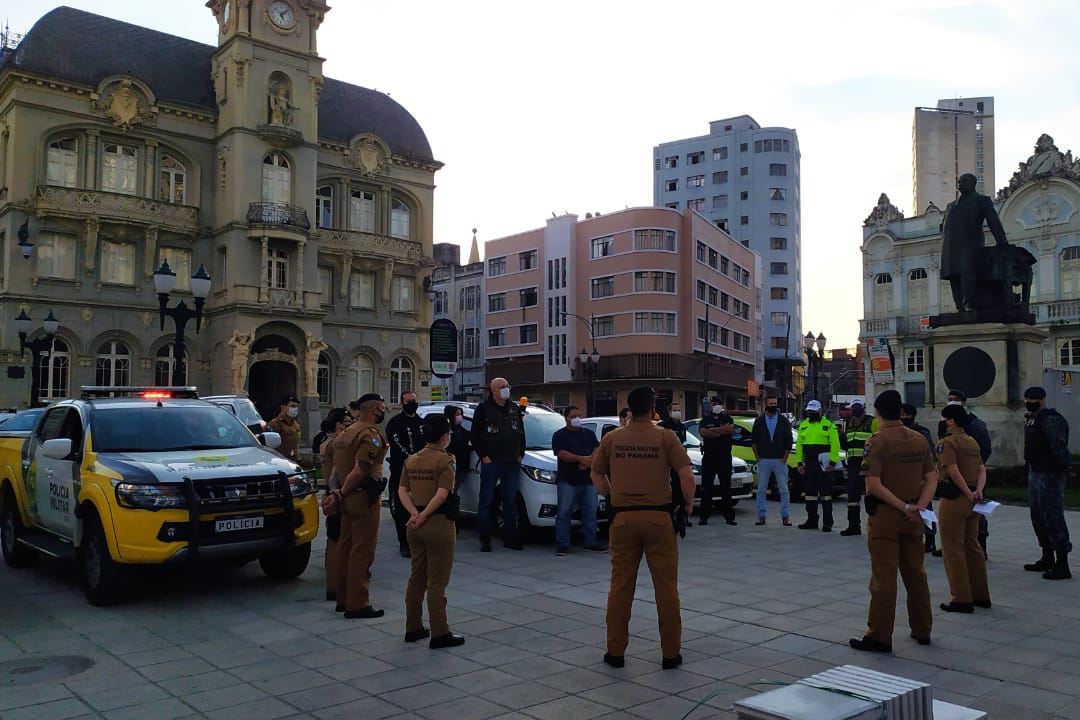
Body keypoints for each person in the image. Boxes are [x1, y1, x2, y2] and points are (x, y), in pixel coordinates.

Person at [591, 386, 695, 670]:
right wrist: (688, 504)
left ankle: (615, 652)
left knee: (620, 587)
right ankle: (670, 654)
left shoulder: (612, 438)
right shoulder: (665, 437)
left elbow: (596, 472)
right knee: (666, 588)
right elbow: (686, 475)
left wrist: (611, 496)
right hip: (658, 519)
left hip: (623, 520)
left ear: (629, 407)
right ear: (652, 410)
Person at [850, 390, 936, 653]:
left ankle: (879, 636)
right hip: (915, 517)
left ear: (877, 412)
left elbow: (873, 484)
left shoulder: (877, 442)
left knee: (883, 578)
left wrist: (902, 506)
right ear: (900, 411)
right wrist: (919, 506)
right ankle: (922, 629)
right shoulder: (919, 439)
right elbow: (932, 477)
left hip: (887, 516)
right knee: (916, 573)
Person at [397, 415, 465, 649]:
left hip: (414, 525)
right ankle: (440, 632)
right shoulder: (445, 460)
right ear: (445, 436)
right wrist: (424, 515)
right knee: (437, 581)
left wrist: (414, 514)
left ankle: (413, 627)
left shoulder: (411, 460)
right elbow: (442, 493)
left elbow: (402, 490)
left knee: (417, 577)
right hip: (437, 523)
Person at [328, 394, 389, 619]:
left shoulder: (346, 433)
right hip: (362, 497)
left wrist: (336, 492)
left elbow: (335, 469)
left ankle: (342, 598)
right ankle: (358, 603)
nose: (383, 412)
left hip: (345, 498)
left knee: (345, 548)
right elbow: (360, 469)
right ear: (375, 410)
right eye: (381, 409)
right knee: (362, 552)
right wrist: (343, 492)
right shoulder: (369, 435)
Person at [936, 404, 991, 612]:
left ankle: (961, 597)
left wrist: (967, 492)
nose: (941, 422)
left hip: (955, 499)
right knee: (973, 547)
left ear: (951, 421)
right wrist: (977, 491)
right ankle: (981, 595)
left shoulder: (947, 443)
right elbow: (981, 469)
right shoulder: (971, 441)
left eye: (943, 419)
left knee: (953, 549)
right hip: (973, 500)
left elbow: (951, 469)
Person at [1022, 386, 1072, 580]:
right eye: (1026, 399)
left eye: (1032, 399)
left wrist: (1062, 471)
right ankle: (1047, 557)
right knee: (1038, 516)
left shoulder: (1052, 419)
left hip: (1050, 474)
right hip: (1036, 471)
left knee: (1053, 517)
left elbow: (1059, 448)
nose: (1028, 402)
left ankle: (1062, 564)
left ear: (1041, 399)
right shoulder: (1032, 419)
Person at [471, 377, 526, 552]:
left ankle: (509, 537)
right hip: (492, 462)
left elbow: (521, 433)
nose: (506, 389)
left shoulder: (514, 408)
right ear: (493, 390)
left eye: (507, 386)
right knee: (486, 501)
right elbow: (475, 436)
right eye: (502, 387)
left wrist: (520, 454)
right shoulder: (483, 409)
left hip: (512, 462)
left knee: (510, 501)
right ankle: (484, 538)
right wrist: (484, 456)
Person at [940, 173, 1009, 312]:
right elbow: (943, 226)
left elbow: (994, 222)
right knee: (953, 275)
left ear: (973, 183)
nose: (960, 184)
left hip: (970, 245)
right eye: (959, 182)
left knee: (968, 272)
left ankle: (970, 304)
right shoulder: (950, 206)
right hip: (950, 247)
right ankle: (960, 307)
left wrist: (1002, 242)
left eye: (964, 181)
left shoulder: (981, 200)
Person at [941, 390, 992, 556]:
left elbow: (983, 454)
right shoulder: (946, 426)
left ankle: (981, 543)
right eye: (949, 400)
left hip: (971, 480)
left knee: (977, 518)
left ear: (964, 401)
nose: (952, 402)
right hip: (957, 486)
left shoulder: (975, 425)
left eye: (955, 400)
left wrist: (969, 467)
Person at [551, 406, 603, 556]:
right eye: (574, 416)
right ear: (566, 418)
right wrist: (581, 459)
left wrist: (589, 461)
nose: (577, 418)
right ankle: (563, 544)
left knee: (590, 512)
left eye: (579, 415)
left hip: (588, 481)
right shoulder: (559, 435)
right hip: (568, 480)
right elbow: (561, 454)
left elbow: (596, 449)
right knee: (564, 513)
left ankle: (591, 542)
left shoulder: (588, 434)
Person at [386, 390, 425, 558]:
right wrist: (411, 457)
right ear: (402, 403)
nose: (412, 403)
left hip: (421, 473)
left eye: (414, 400)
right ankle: (404, 543)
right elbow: (396, 443)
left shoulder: (422, 422)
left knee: (420, 507)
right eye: (409, 401)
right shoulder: (395, 422)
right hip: (401, 472)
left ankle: (419, 540)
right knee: (402, 510)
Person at [795, 400, 841, 532]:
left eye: (814, 411)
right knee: (810, 494)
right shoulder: (803, 425)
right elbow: (799, 446)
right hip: (810, 463)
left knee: (825, 494)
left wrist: (832, 462)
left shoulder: (829, 425)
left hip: (823, 464)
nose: (811, 413)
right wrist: (799, 463)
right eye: (809, 412)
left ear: (820, 411)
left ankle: (827, 523)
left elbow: (835, 445)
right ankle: (812, 520)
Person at [901, 403, 940, 556]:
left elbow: (930, 453)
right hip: (904, 475)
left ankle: (930, 540)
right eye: (901, 415)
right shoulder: (898, 433)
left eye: (906, 415)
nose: (903, 418)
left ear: (912, 416)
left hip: (920, 476)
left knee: (925, 508)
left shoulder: (922, 432)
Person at [319, 408, 349, 603]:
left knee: (333, 540)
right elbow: (336, 473)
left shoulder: (325, 443)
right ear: (338, 425)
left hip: (331, 492)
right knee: (338, 541)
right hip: (336, 493)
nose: (350, 426)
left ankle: (333, 586)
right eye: (347, 423)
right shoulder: (335, 444)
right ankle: (337, 587)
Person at [839, 397, 879, 537]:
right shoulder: (849, 423)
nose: (855, 409)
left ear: (863, 407)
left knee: (872, 493)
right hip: (853, 464)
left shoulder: (872, 421)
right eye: (853, 407)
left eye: (858, 406)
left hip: (869, 463)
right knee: (853, 496)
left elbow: (878, 440)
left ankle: (876, 526)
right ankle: (853, 525)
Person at [751, 396, 793, 526]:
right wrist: (758, 457)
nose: (773, 405)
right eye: (771, 403)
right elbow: (754, 441)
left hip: (779, 460)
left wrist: (784, 457)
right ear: (766, 404)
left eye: (775, 403)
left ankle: (785, 516)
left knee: (784, 489)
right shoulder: (759, 421)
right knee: (761, 489)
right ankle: (761, 516)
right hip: (764, 460)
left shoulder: (783, 421)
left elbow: (789, 440)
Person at [698, 397, 736, 526]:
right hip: (709, 457)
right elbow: (704, 433)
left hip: (724, 457)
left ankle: (729, 517)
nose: (716, 406)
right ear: (710, 406)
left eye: (718, 404)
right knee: (707, 487)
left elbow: (730, 429)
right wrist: (721, 430)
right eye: (713, 404)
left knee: (726, 487)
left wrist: (713, 430)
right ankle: (704, 516)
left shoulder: (727, 419)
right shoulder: (705, 419)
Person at [659, 403, 692, 528]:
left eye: (679, 410)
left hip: (679, 463)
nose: (677, 412)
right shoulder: (663, 426)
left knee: (681, 490)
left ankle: (683, 517)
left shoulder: (682, 427)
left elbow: (682, 442)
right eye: (674, 410)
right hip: (667, 464)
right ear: (669, 412)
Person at [443, 405, 471, 493]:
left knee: (453, 491)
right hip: (448, 466)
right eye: (457, 414)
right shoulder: (445, 431)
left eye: (461, 414)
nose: (460, 417)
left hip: (461, 466)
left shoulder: (463, 431)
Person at [268, 395, 301, 461]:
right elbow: (269, 445)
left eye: (296, 406)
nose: (295, 409)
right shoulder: (275, 424)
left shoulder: (295, 424)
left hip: (292, 460)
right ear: (283, 407)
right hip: (279, 461)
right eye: (292, 406)